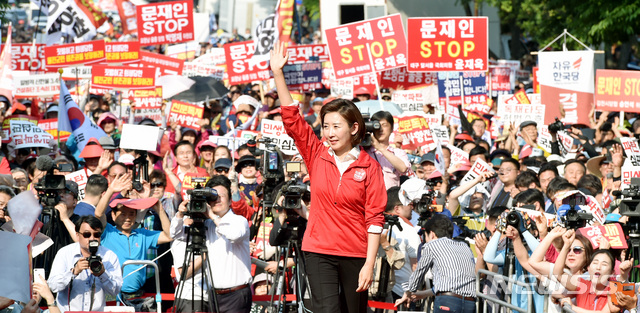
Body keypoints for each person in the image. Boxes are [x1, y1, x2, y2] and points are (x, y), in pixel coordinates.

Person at [271, 42, 386, 313]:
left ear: (354, 128)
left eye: (337, 126)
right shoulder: (316, 155)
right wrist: (278, 73)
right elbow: (293, 122)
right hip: (318, 250)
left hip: (356, 254)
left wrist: (370, 263)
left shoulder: (370, 167)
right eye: (326, 126)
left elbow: (374, 219)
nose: (330, 132)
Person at [170, 175, 252, 313]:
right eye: (213, 197)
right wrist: (180, 214)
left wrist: (212, 216)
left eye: (222, 196)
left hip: (236, 295)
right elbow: (176, 234)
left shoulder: (239, 220)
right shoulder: (206, 224)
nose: (217, 200)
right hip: (213, 295)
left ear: (230, 200)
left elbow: (234, 235)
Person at [395, 215, 476, 313]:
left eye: (425, 236)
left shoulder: (431, 245)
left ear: (432, 234)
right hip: (470, 303)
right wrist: (422, 294)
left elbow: (418, 274)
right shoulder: (464, 247)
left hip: (446, 302)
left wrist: (408, 292)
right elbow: (451, 284)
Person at [47, 216, 123, 312]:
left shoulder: (109, 256)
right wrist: (74, 272)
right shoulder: (65, 253)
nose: (92, 238)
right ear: (78, 235)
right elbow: (53, 286)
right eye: (87, 235)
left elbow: (115, 291)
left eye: (96, 235)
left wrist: (103, 274)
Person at [367, 111, 411, 189]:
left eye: (384, 125)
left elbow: (403, 168)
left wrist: (380, 148)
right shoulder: (365, 152)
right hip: (370, 199)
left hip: (391, 198)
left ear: (392, 128)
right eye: (377, 125)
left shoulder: (397, 152)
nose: (381, 129)